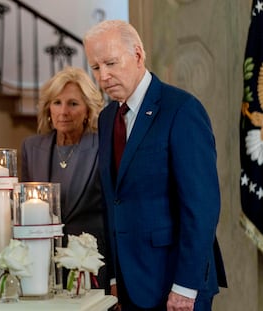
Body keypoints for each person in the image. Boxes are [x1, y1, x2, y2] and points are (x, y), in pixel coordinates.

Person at [83, 20, 227, 311]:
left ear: (137, 55)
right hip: (128, 284)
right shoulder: (108, 117)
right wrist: (114, 277)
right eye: (96, 68)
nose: (104, 76)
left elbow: (201, 208)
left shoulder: (182, 110)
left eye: (111, 63)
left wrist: (186, 287)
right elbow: (113, 204)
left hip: (176, 284)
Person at [21, 66, 111, 293]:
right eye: (57, 102)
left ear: (88, 110)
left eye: (73, 104)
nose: (63, 112)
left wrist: (115, 278)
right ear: (48, 108)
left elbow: (114, 214)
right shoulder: (31, 148)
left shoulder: (103, 146)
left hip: (91, 261)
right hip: (43, 263)